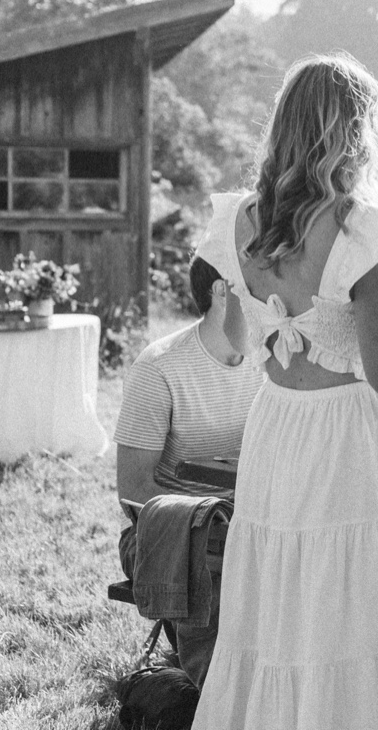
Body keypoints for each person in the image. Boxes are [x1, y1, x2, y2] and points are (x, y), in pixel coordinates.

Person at [192, 53, 378, 730]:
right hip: (351, 435)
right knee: (353, 614)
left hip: (277, 429)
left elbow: (239, 338)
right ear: (359, 130)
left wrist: (284, 328)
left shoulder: (239, 220)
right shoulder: (368, 228)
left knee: (279, 608)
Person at [114, 255, 265, 688]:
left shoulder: (269, 360)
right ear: (221, 292)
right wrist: (218, 519)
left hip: (251, 518)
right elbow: (135, 486)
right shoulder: (160, 366)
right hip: (165, 530)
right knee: (220, 557)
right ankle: (221, 696)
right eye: (253, 282)